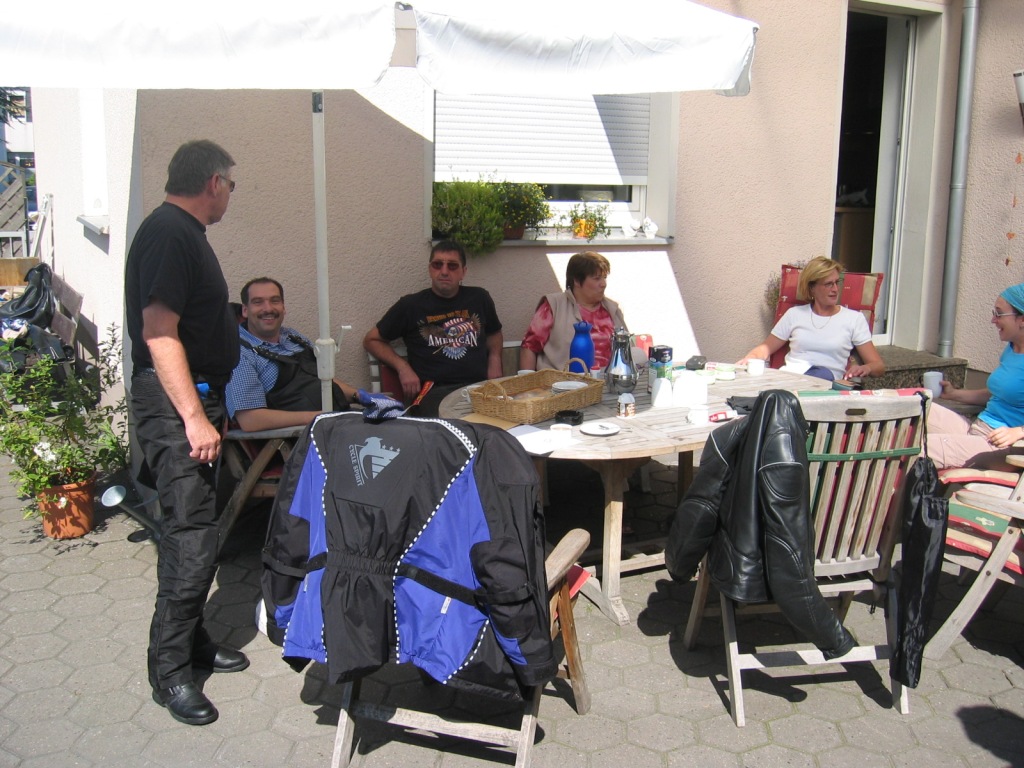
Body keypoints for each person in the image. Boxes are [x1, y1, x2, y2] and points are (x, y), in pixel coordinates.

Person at [125, 140, 247, 727]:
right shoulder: (171, 233)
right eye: (231, 185)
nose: (230, 195)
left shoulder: (181, 232)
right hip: (177, 405)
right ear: (214, 183)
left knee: (193, 529)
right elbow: (158, 330)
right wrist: (194, 417)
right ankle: (169, 672)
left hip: (195, 399)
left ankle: (193, 642)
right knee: (192, 538)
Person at [363, 240, 503, 417]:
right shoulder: (410, 305)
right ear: (430, 269)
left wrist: (495, 358)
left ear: (463, 272)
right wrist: (403, 367)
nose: (444, 271)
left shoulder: (479, 298)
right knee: (456, 428)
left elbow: (494, 332)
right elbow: (371, 340)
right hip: (434, 392)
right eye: (438, 265)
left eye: (452, 266)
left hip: (479, 388)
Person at [225, 277, 359, 432]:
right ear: (245, 310)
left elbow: (325, 379)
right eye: (258, 302)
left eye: (275, 301)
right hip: (302, 438)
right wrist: (320, 417)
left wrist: (359, 396)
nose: (268, 308)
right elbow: (250, 420)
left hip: (338, 422)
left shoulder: (293, 337)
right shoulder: (238, 353)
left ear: (283, 307)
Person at [926, 284, 1024, 470]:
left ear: (1022, 319)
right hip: (978, 429)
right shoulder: (1012, 349)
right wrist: (953, 394)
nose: (993, 320)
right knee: (913, 409)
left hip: (1001, 446)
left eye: (999, 314)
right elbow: (998, 394)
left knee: (919, 448)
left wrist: (1019, 432)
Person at [740, 256, 884, 382]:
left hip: (825, 384)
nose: (835, 289)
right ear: (812, 288)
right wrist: (748, 360)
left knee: (822, 374)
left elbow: (878, 366)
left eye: (837, 282)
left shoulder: (853, 319)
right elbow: (765, 348)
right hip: (791, 379)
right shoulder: (794, 315)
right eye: (828, 284)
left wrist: (866, 368)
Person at [519, 251, 627, 372]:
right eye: (597, 278)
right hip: (561, 381)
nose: (603, 284)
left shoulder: (612, 309)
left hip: (607, 381)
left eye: (604, 278)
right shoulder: (554, 305)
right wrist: (528, 381)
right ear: (577, 280)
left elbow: (627, 351)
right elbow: (529, 347)